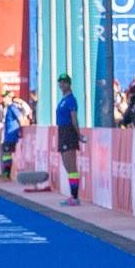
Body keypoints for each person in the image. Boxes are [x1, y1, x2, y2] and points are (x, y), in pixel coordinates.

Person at [56, 73, 86, 206]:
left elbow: (74, 119)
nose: (61, 85)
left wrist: (78, 134)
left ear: (69, 84)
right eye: (60, 82)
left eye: (64, 82)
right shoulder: (63, 99)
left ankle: (75, 196)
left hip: (69, 132)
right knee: (67, 166)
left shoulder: (71, 100)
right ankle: (72, 195)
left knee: (71, 165)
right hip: (62, 131)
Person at [0, 89, 28, 178]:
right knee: (6, 154)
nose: (3, 99)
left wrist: (20, 132)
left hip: (11, 136)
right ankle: (6, 172)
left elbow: (21, 119)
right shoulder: (7, 108)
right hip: (8, 136)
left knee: (7, 154)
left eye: (4, 97)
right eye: (2, 97)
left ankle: (7, 173)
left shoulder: (13, 108)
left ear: (9, 98)